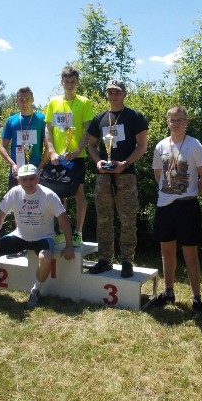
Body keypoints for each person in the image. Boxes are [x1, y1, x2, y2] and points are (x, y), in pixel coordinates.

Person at [0, 164, 75, 309]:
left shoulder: (48, 195)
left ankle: (35, 291)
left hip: (43, 237)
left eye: (32, 179)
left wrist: (69, 245)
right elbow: (0, 215)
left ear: (38, 178)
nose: (28, 183)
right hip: (20, 236)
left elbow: (63, 219)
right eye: (24, 180)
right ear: (18, 180)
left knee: (45, 257)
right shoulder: (14, 192)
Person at [86, 79, 149, 278]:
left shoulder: (135, 117)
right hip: (104, 177)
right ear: (106, 94)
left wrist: (125, 164)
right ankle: (105, 260)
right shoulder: (100, 118)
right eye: (110, 92)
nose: (113, 95)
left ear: (124, 93)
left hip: (126, 176)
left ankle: (127, 261)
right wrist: (97, 162)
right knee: (104, 219)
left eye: (117, 92)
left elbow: (142, 146)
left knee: (128, 220)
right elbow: (91, 146)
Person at [150, 105, 202, 311]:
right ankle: (169, 292)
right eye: (172, 120)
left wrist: (190, 194)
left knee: (190, 254)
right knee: (167, 251)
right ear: (167, 122)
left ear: (186, 122)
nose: (175, 123)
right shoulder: (160, 146)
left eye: (179, 120)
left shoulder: (195, 145)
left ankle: (197, 298)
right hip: (164, 205)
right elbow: (159, 176)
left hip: (187, 206)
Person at [44, 66, 94, 248]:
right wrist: (51, 151)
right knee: (57, 195)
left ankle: (78, 233)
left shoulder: (84, 102)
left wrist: (79, 149)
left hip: (76, 157)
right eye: (67, 81)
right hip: (57, 158)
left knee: (79, 194)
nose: (70, 85)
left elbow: (89, 129)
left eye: (73, 81)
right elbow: (47, 128)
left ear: (77, 82)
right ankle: (59, 231)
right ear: (61, 82)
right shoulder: (53, 102)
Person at [0, 87, 47, 189]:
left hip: (35, 172)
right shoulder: (12, 120)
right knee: (15, 203)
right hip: (17, 172)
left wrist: (40, 167)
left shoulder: (42, 119)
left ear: (32, 100)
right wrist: (12, 164)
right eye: (21, 99)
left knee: (36, 204)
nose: (24, 103)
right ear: (17, 101)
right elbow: (2, 147)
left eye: (27, 99)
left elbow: (49, 147)